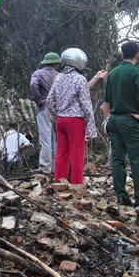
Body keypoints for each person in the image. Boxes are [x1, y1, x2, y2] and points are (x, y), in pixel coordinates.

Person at [104, 41, 139, 210]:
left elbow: (107, 101)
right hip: (129, 120)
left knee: (117, 158)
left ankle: (121, 197)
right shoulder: (135, 72)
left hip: (114, 120)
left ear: (122, 55)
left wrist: (106, 120)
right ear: (137, 55)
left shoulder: (113, 73)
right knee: (137, 159)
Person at [46, 48, 97, 185]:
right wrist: (91, 127)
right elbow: (86, 105)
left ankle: (60, 182)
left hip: (60, 121)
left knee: (61, 153)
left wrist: (57, 113)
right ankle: (76, 183)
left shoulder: (58, 78)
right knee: (77, 154)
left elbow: (49, 101)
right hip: (75, 121)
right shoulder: (80, 79)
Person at [30, 52, 60, 174]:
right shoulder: (60, 76)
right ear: (55, 64)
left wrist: (38, 100)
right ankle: (55, 167)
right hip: (57, 110)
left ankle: (45, 167)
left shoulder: (38, 73)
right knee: (55, 140)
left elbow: (33, 85)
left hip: (44, 108)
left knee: (45, 139)